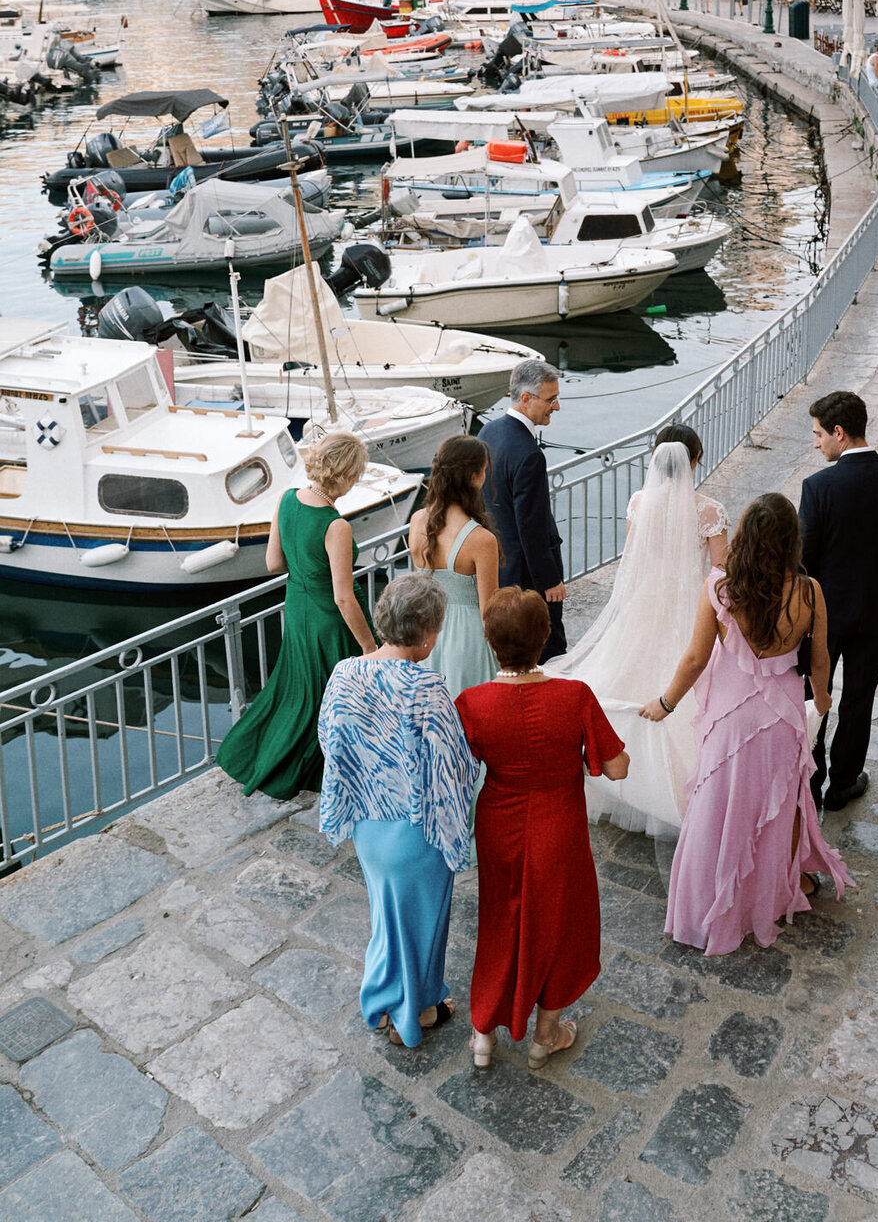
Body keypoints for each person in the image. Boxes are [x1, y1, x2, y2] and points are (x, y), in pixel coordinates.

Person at [641, 495, 851, 956]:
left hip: (731, 718)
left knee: (717, 809)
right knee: (778, 809)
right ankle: (770, 895)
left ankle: (706, 908)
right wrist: (821, 700)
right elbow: (820, 662)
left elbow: (696, 658)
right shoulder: (809, 591)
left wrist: (665, 702)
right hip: (782, 719)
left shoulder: (720, 588)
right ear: (790, 540)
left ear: (746, 536)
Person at [457, 589, 628, 1069]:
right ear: (544, 636)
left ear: (491, 642)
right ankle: (545, 1035)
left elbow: (455, 769)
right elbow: (616, 768)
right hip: (559, 826)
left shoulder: (472, 703)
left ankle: (484, 1035)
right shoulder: (573, 696)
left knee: (498, 921)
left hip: (499, 825)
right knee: (559, 926)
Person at [318, 573, 476, 1047]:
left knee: (387, 917)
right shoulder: (425, 688)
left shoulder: (345, 673)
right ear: (425, 634)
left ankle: (382, 1000)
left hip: (368, 827)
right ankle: (418, 1012)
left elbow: (331, 739)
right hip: (415, 830)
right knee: (423, 925)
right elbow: (452, 766)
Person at [543, 427, 727, 836]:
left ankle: (620, 775)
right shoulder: (709, 512)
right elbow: (721, 577)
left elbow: (631, 566)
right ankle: (677, 790)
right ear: (694, 461)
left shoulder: (639, 503)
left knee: (625, 678)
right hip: (688, 612)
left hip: (643, 606)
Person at [217, 433, 374, 801]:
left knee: (300, 693)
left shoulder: (286, 500)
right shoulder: (336, 525)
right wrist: (370, 647)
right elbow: (343, 596)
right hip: (330, 622)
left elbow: (273, 563)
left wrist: (305, 569)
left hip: (298, 611)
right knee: (337, 700)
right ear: (346, 474)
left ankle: (267, 758)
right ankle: (339, 773)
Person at [799, 392, 878, 810]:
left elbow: (805, 562)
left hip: (822, 618)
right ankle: (844, 783)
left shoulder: (818, 487)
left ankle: (811, 783)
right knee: (859, 699)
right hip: (876, 613)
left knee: (815, 696)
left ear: (839, 432)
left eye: (818, 434)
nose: (816, 443)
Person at [478, 361, 567, 659]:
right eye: (551, 399)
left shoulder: (488, 432)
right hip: (529, 576)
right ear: (526, 398)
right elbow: (532, 526)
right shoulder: (530, 455)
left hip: (499, 566)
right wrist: (550, 580)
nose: (556, 407)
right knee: (549, 648)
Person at [408, 436, 500, 699]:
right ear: (474, 477)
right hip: (468, 641)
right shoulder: (481, 539)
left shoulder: (417, 521)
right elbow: (489, 611)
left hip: (427, 633)